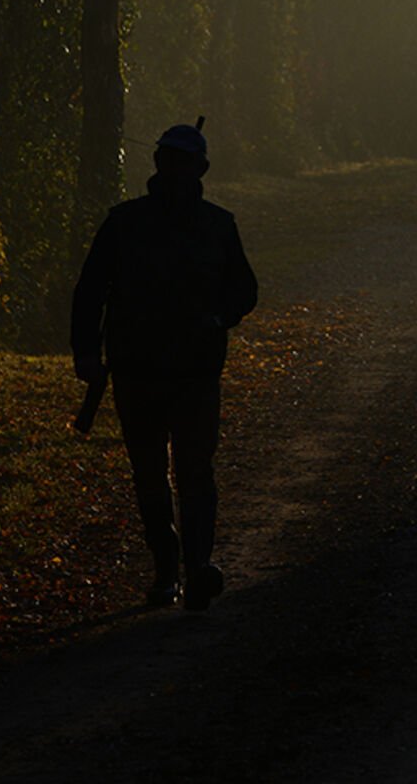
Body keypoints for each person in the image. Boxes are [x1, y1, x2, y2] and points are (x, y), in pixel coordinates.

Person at [70, 122, 258, 610]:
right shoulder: (125, 223)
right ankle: (166, 569)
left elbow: (244, 290)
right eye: (169, 160)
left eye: (182, 162)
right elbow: (89, 292)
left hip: (193, 373)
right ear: (158, 165)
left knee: (192, 472)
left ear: (200, 169)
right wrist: (86, 355)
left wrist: (219, 317)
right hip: (138, 372)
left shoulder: (217, 226)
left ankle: (194, 567)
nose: (174, 170)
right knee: (152, 475)